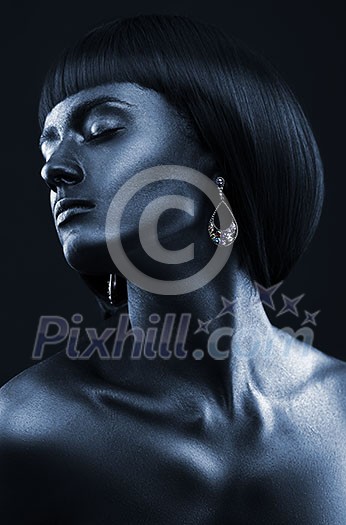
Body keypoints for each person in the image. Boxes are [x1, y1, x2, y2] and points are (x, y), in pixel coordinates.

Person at [0, 14, 345, 524]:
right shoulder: (24, 427)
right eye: (47, 146)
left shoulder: (341, 408)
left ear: (215, 150)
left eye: (101, 130)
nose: (53, 169)